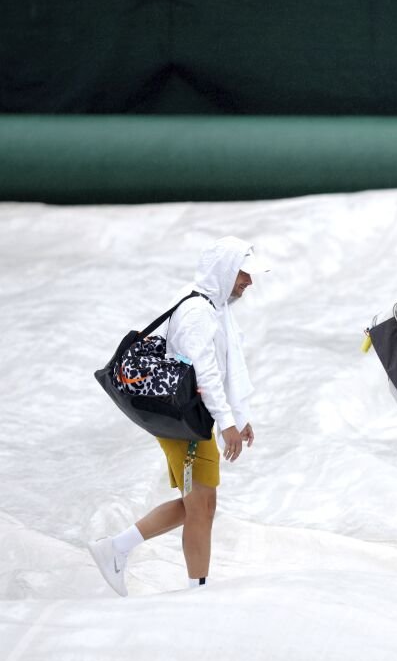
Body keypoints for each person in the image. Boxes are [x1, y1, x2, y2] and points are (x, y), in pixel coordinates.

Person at [88, 236, 268, 595]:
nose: (249, 281)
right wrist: (228, 423)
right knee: (200, 506)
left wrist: (238, 415)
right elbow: (207, 374)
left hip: (194, 419)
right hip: (185, 424)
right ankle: (196, 593)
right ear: (224, 272)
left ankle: (115, 548)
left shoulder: (210, 303)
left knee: (201, 503)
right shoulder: (199, 313)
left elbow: (223, 364)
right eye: (243, 274)